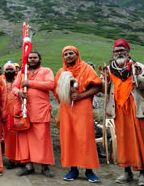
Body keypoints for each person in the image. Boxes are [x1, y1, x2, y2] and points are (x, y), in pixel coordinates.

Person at [104, 39, 144, 185]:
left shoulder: (139, 67)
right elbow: (105, 90)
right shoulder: (108, 70)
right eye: (116, 51)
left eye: (122, 50)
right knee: (123, 141)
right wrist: (105, 80)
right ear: (113, 53)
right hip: (118, 110)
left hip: (135, 109)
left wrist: (138, 76)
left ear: (128, 51)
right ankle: (127, 172)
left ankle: (143, 173)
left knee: (140, 141)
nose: (119, 53)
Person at [54, 46, 102, 183]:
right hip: (66, 108)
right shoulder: (61, 71)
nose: (68, 56)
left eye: (71, 53)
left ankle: (89, 171)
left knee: (85, 137)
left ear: (77, 54)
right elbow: (56, 90)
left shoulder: (86, 68)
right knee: (68, 137)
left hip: (82, 107)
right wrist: (66, 93)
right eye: (65, 54)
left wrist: (81, 96)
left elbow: (98, 86)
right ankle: (73, 170)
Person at [12, 51, 55, 177]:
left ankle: (45, 167)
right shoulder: (22, 73)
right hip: (24, 111)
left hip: (40, 111)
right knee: (25, 139)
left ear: (39, 59)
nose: (32, 59)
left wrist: (29, 83)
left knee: (42, 139)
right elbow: (15, 87)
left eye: (35, 57)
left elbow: (50, 84)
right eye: (30, 58)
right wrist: (18, 92)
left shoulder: (46, 71)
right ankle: (28, 165)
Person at [1, 62, 18, 169]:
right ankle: (11, 159)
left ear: (15, 71)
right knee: (8, 138)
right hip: (5, 115)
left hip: (18, 114)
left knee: (19, 138)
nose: (9, 71)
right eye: (7, 70)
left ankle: (20, 159)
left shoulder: (19, 82)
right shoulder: (1, 82)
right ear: (4, 71)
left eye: (11, 69)